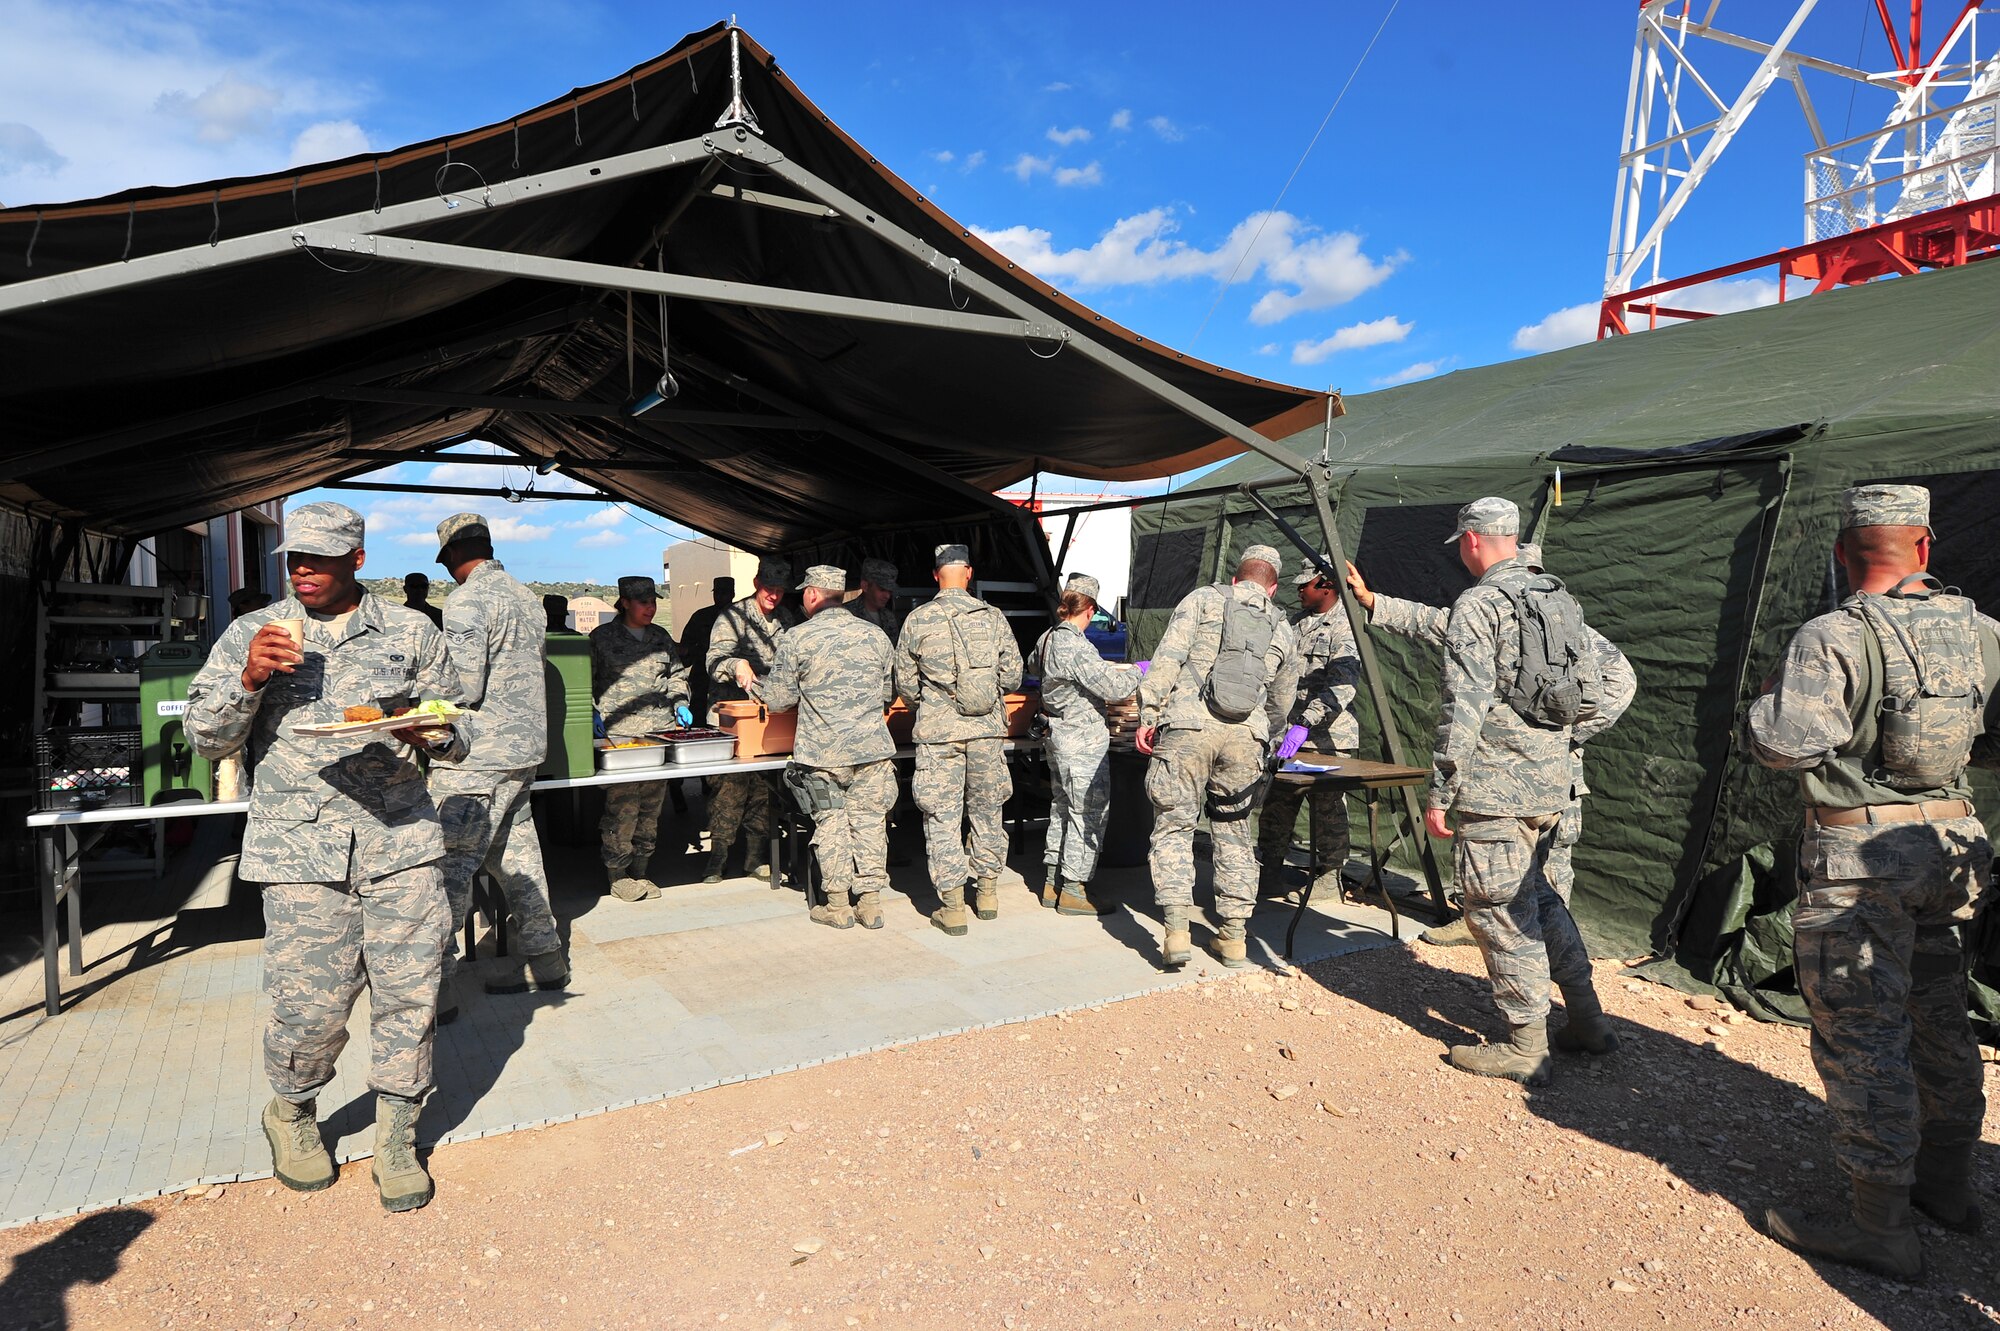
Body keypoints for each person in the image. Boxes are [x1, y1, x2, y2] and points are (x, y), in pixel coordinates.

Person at [1745, 484, 1996, 1279]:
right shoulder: (1985, 632)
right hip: (1950, 848)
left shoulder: (1833, 635)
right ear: (1923, 546)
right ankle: (1949, 1188)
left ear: (1840, 553)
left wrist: (1757, 712)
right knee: (1939, 1011)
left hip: (1859, 860)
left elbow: (1785, 744)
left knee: (1864, 1036)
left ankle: (1880, 1225)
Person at [184, 501, 464, 1214]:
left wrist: (434, 733)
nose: (303, 568)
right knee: (311, 1006)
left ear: (357, 560)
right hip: (300, 848)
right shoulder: (255, 632)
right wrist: (247, 681)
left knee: (411, 993)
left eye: (320, 556)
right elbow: (206, 738)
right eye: (294, 557)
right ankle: (294, 1109)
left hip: (399, 838)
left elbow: (456, 729)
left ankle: (399, 1133)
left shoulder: (411, 629)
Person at [1420, 498, 1631, 1087]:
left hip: (1495, 788)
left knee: (1498, 910)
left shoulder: (1480, 603)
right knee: (1540, 900)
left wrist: (1442, 789)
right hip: (1553, 785)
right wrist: (1567, 741)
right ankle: (1588, 1021)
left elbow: (1463, 706)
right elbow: (1607, 681)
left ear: (1472, 541)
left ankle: (1525, 1045)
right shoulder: (1558, 598)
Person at [1347, 544, 1636, 946]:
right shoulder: (1502, 614)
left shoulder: (1563, 624)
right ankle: (1480, 927)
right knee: (1489, 868)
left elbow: (1621, 681)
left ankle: (1548, 959)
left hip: (1547, 775)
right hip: (1513, 774)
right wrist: (1373, 600)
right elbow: (1439, 622)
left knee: (1547, 873)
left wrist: (1565, 733)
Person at [1133, 544, 1301, 969]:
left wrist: (1148, 714)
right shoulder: (1282, 625)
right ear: (1274, 586)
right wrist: (1271, 737)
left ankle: (1175, 932)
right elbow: (1283, 698)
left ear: (1235, 578)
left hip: (1189, 728)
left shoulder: (1204, 599)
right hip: (1247, 735)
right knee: (1235, 834)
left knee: (1174, 827)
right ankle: (1233, 937)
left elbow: (1167, 658)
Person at [427, 513, 568, 1012]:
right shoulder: (524, 596)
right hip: (524, 751)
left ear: (451, 558)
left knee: (447, 868)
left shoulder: (466, 601)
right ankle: (547, 958)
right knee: (516, 855)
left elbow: (463, 688)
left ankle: (435, 989)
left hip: (478, 759)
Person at [895, 543, 1024, 933]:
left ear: (936, 574)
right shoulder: (994, 617)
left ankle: (952, 906)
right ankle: (987, 892)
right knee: (988, 811)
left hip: (938, 735)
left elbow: (905, 684)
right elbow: (1014, 676)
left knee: (943, 816)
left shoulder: (917, 620)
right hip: (986, 732)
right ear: (968, 573)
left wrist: (931, 706)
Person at [763, 565, 898, 929]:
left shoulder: (797, 638)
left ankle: (837, 905)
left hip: (822, 756)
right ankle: (870, 904)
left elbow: (776, 701)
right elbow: (888, 694)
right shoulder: (877, 636)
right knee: (870, 824)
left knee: (832, 825)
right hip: (873, 753)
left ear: (811, 595)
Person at [1031, 573, 1142, 915]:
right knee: (1087, 814)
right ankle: (1075, 889)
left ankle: (1053, 882)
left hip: (1057, 736)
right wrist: (1140, 669)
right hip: (1082, 745)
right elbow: (1112, 688)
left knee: (1062, 809)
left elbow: (1033, 667)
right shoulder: (1077, 646)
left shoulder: (1047, 638)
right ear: (1090, 609)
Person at [1257, 563, 1361, 903]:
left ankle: (1329, 878)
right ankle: (1269, 869)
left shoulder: (1346, 625)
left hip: (1329, 737)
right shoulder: (1296, 624)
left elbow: (1342, 687)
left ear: (1328, 585)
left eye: (1307, 585)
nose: (1300, 590)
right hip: (1290, 734)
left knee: (1327, 809)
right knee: (1277, 803)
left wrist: (1307, 721)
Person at [590, 576, 692, 901]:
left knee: (651, 808)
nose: (651, 607)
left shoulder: (661, 637)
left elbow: (676, 675)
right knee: (622, 808)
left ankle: (641, 870)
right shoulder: (602, 638)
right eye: (643, 602)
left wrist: (680, 701)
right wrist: (591, 713)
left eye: (653, 601)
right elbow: (584, 683)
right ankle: (617, 874)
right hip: (619, 738)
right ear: (624, 602)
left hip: (658, 734)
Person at [707, 562, 800, 881]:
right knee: (728, 793)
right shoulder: (732, 617)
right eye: (768, 588)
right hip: (734, 717)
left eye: (780, 590)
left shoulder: (787, 618)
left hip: (770, 717)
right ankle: (717, 859)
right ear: (756, 582)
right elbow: (713, 661)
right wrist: (737, 665)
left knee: (764, 789)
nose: (774, 595)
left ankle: (755, 857)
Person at [678, 576, 734, 724]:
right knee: (698, 725)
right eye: (717, 593)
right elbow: (685, 652)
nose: (720, 597)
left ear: (732, 594)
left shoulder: (740, 617)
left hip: (732, 685)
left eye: (725, 593)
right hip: (702, 683)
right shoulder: (701, 617)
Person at [854, 558, 902, 642]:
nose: (887, 596)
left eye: (890, 591)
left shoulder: (889, 617)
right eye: (882, 589)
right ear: (865, 586)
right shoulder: (847, 615)